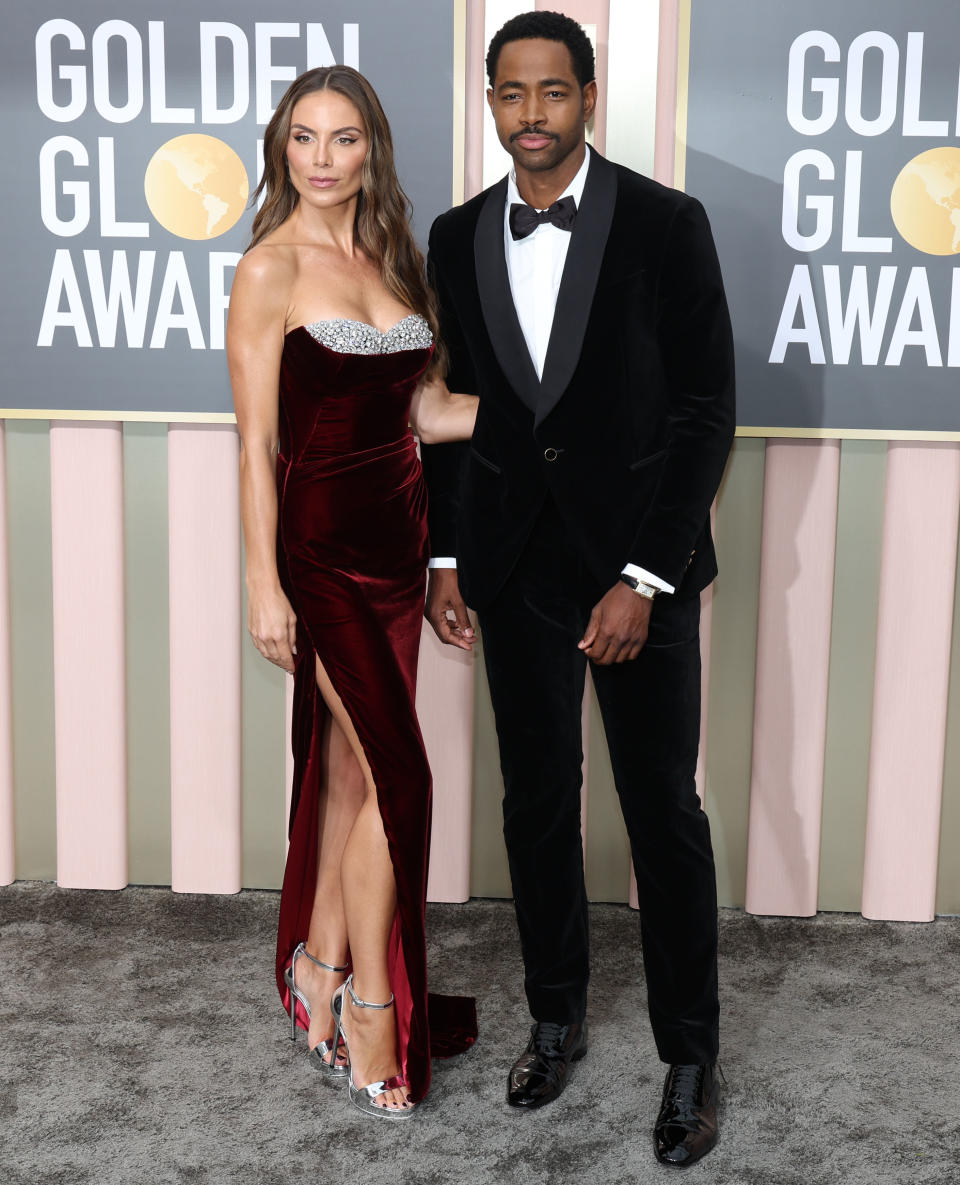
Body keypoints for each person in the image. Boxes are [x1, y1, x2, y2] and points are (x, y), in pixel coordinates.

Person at [421, 11, 734, 1167]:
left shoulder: (665, 223)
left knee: (663, 813)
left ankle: (690, 1056)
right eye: (513, 94)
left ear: (589, 98)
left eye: (555, 92)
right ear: (493, 103)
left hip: (636, 574)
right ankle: (554, 1019)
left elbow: (707, 413)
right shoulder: (457, 237)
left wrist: (644, 576)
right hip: (512, 572)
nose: (534, 114)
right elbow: (458, 414)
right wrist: (450, 557)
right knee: (538, 803)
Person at [227, 65, 478, 1120]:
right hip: (321, 558)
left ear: (371, 148)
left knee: (349, 780)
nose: (323, 160)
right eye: (303, 140)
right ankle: (378, 1003)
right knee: (400, 781)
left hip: (397, 552)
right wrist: (262, 585)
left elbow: (425, 412)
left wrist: (569, 409)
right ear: (281, 150)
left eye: (343, 140)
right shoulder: (268, 270)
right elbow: (256, 446)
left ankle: (318, 974)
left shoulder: (388, 256)